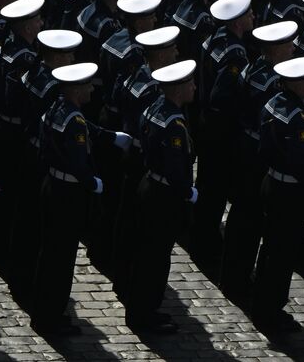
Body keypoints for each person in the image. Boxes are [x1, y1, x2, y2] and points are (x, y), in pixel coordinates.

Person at [31, 62, 133, 336]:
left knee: (50, 253)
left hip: (52, 185)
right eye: (87, 84)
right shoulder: (73, 119)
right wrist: (92, 182)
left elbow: (88, 130)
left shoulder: (60, 108)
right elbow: (78, 160)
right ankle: (50, 318)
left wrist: (111, 137)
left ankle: (46, 311)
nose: (92, 88)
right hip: (67, 193)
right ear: (76, 89)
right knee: (60, 258)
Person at [124, 59, 199, 333]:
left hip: (150, 185)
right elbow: (175, 167)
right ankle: (144, 315)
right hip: (163, 195)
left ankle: (141, 310)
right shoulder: (175, 124)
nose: (194, 86)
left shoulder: (156, 108)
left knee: (146, 254)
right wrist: (188, 193)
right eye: (190, 83)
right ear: (178, 89)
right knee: (154, 258)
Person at [250, 56, 304, 333]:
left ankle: (261, 304)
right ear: (297, 82)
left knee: (269, 249)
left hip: (271, 181)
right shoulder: (299, 117)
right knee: (282, 254)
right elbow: (298, 160)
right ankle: (271, 311)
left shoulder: (272, 103)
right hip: (291, 191)